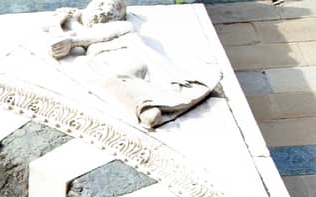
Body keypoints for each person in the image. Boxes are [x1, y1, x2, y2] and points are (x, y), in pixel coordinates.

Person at [49, 0, 217, 129]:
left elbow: (95, 36)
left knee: (119, 78)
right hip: (105, 61)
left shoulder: (121, 25)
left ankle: (150, 108)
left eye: (111, 6)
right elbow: (59, 43)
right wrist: (59, 22)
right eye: (98, 4)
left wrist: (72, 36)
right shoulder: (83, 31)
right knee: (118, 83)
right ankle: (147, 111)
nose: (102, 8)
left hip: (122, 57)